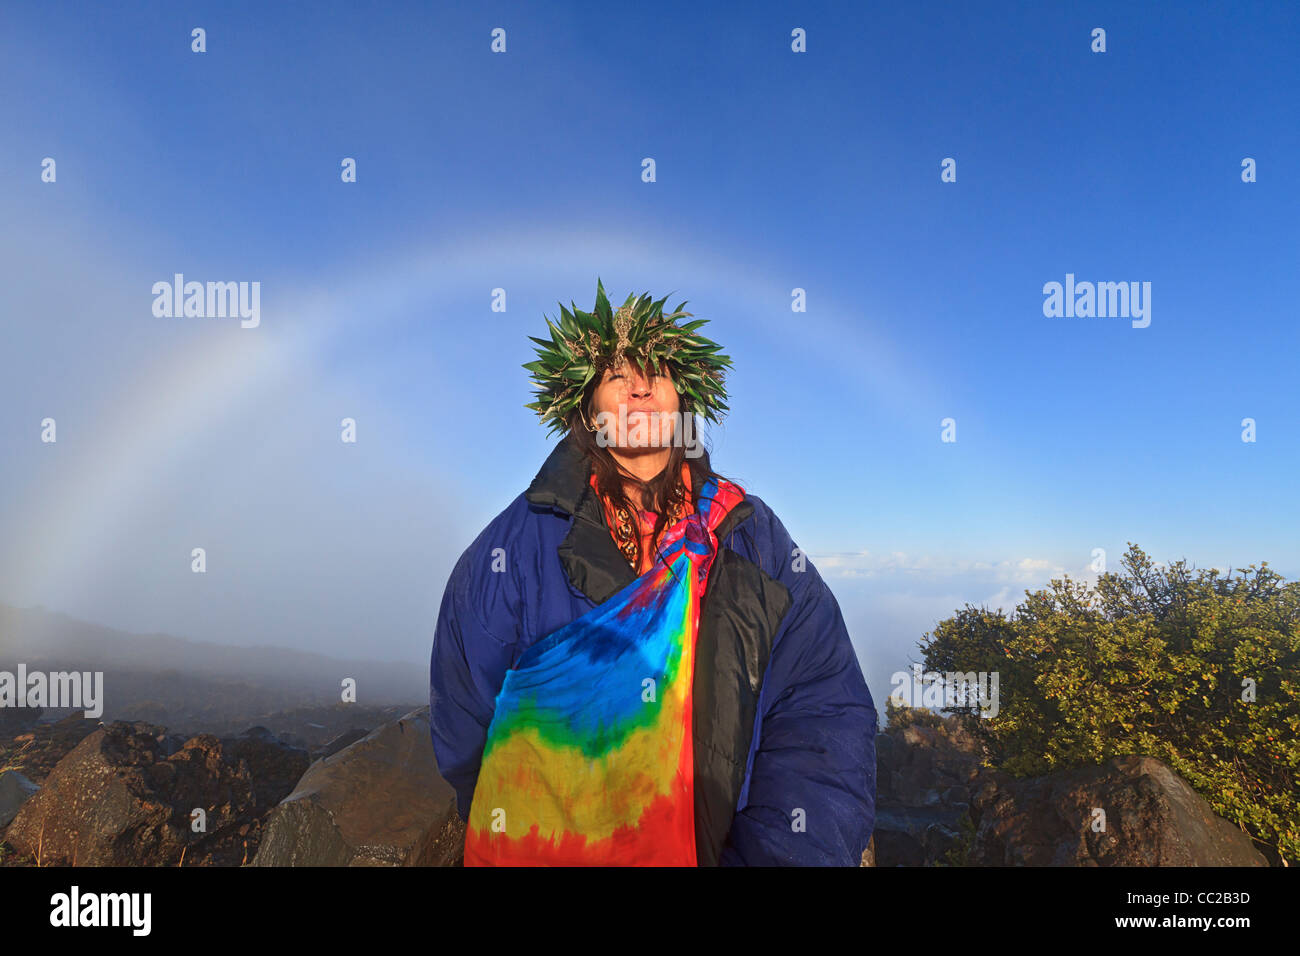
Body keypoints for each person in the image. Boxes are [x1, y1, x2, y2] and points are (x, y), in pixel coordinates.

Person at [428, 279, 877, 865]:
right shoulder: (511, 554)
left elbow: (820, 707)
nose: (640, 386)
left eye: (658, 371)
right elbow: (468, 734)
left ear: (685, 398)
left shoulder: (748, 538)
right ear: (586, 407)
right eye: (616, 376)